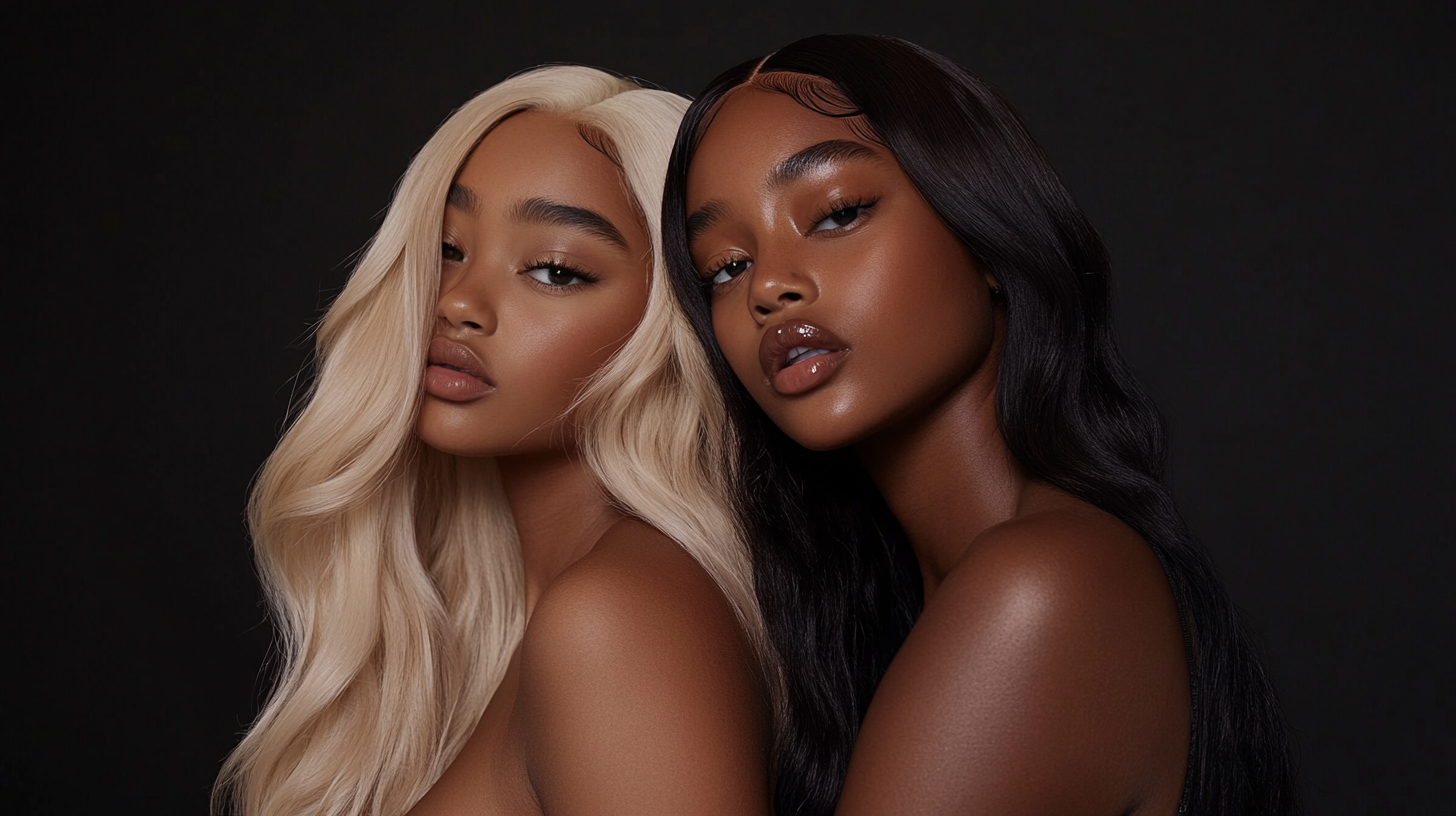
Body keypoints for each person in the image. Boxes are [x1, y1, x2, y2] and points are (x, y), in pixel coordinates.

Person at [663, 34, 1299, 815]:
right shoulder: (919, 606)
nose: (770, 287)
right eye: (724, 266)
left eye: (836, 213)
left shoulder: (1041, 588)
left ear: (985, 232)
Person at [215, 65, 778, 816]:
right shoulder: (508, 615)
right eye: (447, 248)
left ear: (670, 326)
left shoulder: (617, 616)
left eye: (553, 269)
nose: (457, 303)